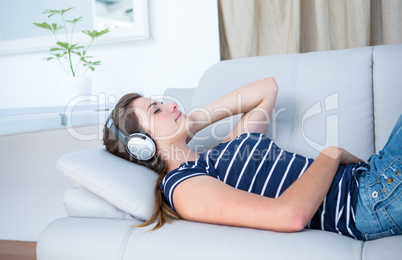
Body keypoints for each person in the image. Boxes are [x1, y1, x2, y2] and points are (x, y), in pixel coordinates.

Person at [103, 77, 402, 241]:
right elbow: (289, 215)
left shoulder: (219, 154)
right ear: (143, 145)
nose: (170, 106)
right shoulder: (184, 187)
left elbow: (266, 89)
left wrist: (195, 121)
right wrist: (331, 154)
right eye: (157, 111)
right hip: (368, 199)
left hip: (374, 179)